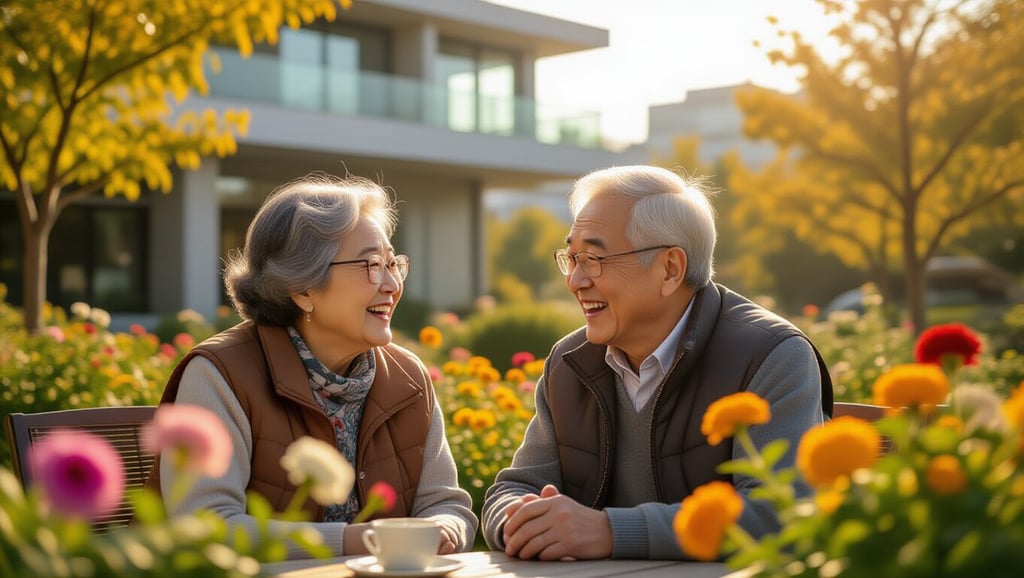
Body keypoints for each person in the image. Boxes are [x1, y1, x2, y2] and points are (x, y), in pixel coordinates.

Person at [481, 165, 833, 560]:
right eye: (572, 257)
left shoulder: (771, 356)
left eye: (594, 258)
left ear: (670, 269)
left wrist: (609, 532)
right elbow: (514, 488)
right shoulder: (569, 364)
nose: (575, 280)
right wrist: (518, 519)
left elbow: (781, 515)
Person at [144, 172, 477, 558]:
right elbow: (205, 525)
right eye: (371, 265)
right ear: (302, 288)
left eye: (392, 263)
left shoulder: (407, 377)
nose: (391, 284)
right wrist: (362, 541)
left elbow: (448, 505)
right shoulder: (220, 374)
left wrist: (445, 530)